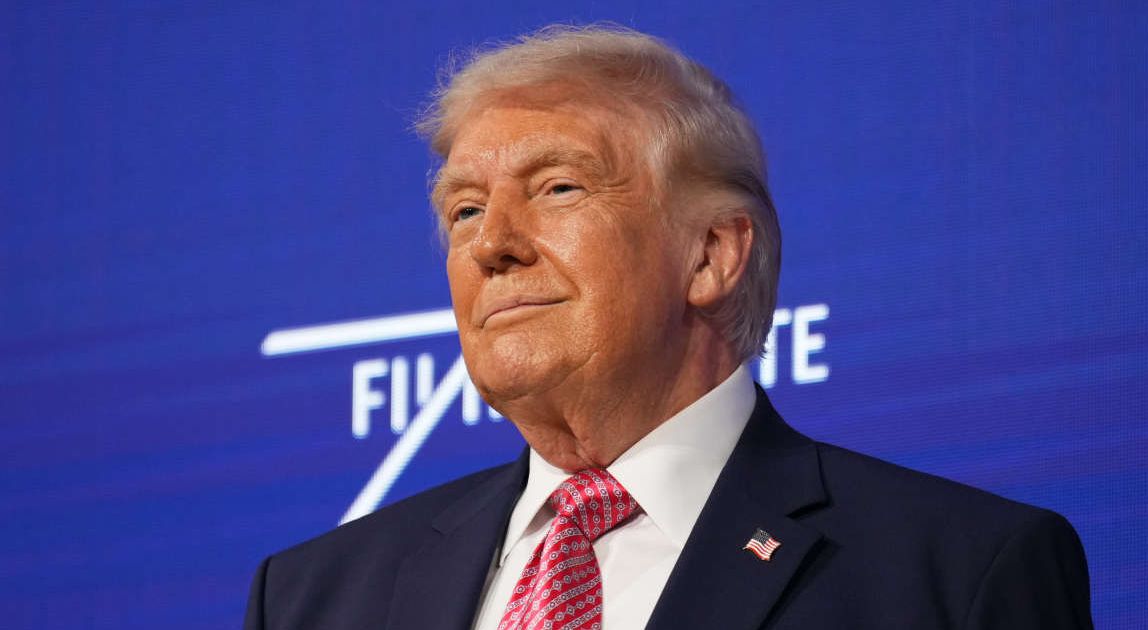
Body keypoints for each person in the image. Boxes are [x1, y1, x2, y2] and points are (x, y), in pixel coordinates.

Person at [243, 24, 1092, 630]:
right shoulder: (315, 598)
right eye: (464, 210)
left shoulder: (952, 574)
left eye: (558, 189)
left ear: (711, 256)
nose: (491, 245)